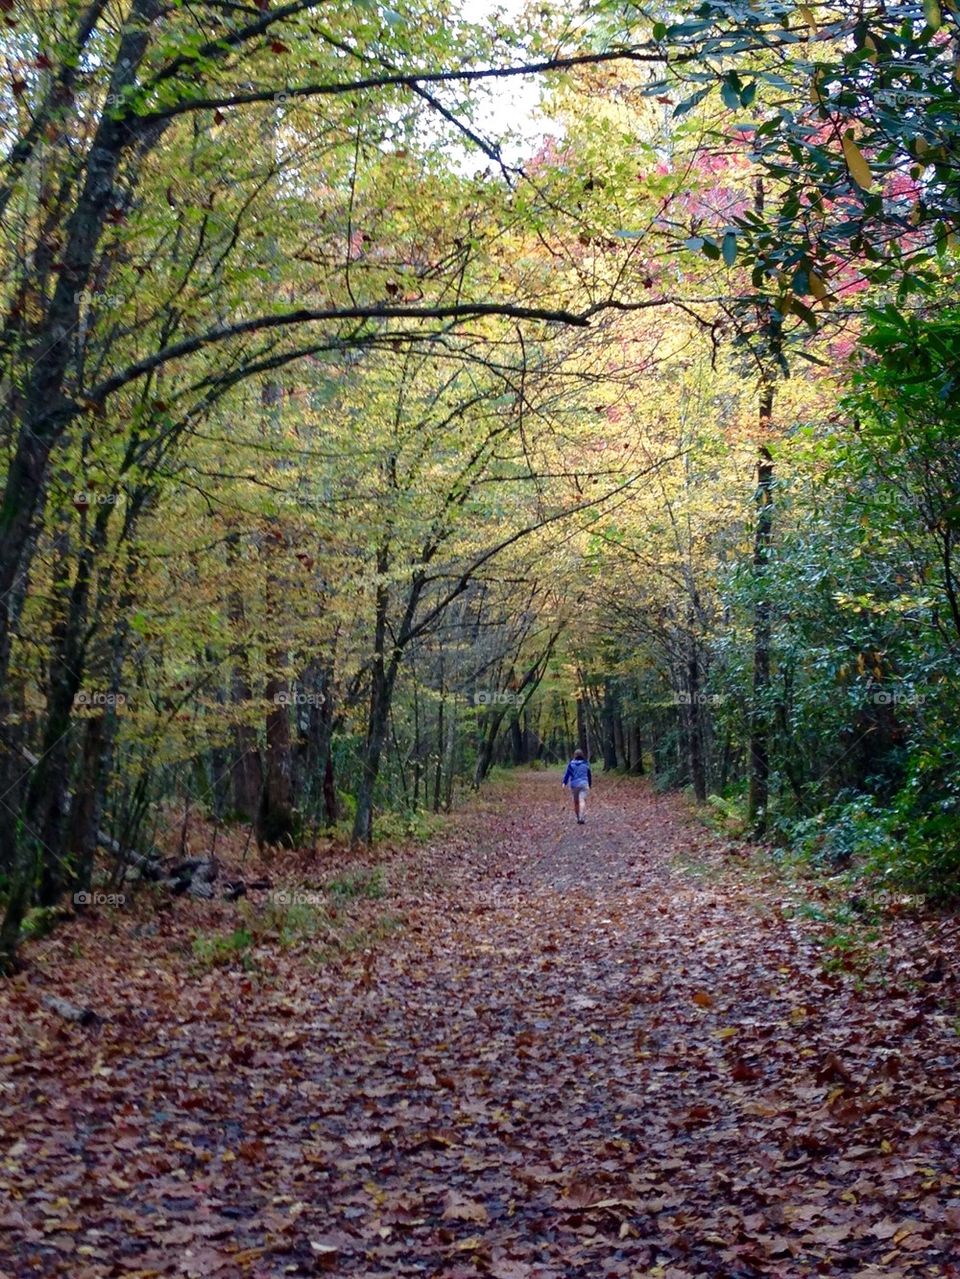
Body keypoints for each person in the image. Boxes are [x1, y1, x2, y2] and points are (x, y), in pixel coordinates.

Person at [562, 749, 592, 824]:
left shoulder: (571, 764)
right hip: (584, 784)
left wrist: (564, 783)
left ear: (574, 755)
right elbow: (589, 775)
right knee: (582, 800)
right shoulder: (586, 764)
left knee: (576, 802)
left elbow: (567, 774)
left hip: (574, 785)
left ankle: (578, 817)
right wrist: (590, 784)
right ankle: (581, 817)